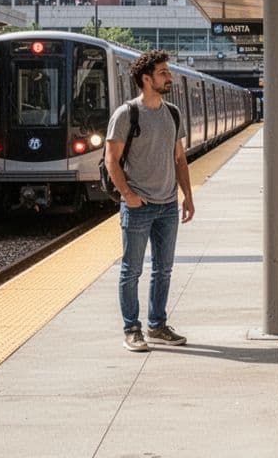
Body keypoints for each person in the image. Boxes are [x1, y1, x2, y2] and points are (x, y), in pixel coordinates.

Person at [106, 49, 195, 352]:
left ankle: (157, 325)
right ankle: (132, 329)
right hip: (139, 206)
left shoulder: (173, 113)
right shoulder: (126, 114)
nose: (169, 77)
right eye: (163, 73)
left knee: (164, 269)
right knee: (132, 270)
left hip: (168, 205)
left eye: (168, 72)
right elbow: (111, 160)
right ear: (146, 79)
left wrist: (188, 196)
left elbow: (180, 158)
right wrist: (128, 196)